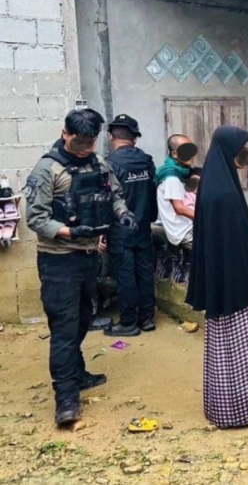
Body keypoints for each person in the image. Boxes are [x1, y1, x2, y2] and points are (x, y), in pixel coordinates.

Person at [25, 108, 137, 426]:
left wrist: (122, 213)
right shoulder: (47, 170)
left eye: (91, 142)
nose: (85, 149)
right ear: (65, 134)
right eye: (79, 143)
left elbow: (114, 193)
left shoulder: (98, 163)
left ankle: (79, 372)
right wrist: (69, 232)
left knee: (83, 320)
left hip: (89, 257)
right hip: (59, 261)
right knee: (64, 328)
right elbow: (36, 218)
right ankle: (66, 399)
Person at [185, 125, 248, 428]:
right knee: (241, 349)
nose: (245, 155)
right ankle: (243, 411)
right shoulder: (224, 194)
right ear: (229, 151)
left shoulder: (213, 185)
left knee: (223, 350)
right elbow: (239, 243)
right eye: (241, 149)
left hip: (221, 284)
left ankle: (222, 409)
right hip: (236, 287)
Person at [104, 114, 158, 337]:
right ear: (135, 138)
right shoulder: (147, 161)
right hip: (143, 226)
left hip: (121, 229)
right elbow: (152, 192)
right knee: (145, 272)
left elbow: (107, 200)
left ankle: (128, 323)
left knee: (125, 275)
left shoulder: (109, 164)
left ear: (110, 137)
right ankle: (147, 318)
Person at [155, 134, 196, 247]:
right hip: (183, 231)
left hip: (188, 225)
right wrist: (205, 217)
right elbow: (179, 209)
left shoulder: (182, 172)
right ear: (174, 154)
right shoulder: (171, 177)